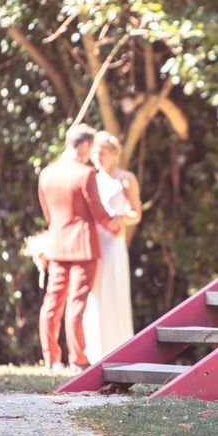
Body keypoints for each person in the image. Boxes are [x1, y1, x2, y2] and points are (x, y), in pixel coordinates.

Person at [37, 124, 121, 372]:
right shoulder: (85, 174)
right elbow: (97, 211)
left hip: (57, 244)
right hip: (83, 245)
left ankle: (51, 358)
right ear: (84, 146)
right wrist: (114, 225)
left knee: (52, 302)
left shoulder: (47, 173)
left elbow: (47, 212)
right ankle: (78, 359)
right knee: (76, 303)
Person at [83, 131, 141, 363]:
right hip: (95, 240)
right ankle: (95, 351)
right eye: (95, 153)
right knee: (94, 294)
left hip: (114, 242)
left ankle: (120, 349)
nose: (98, 157)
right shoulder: (90, 178)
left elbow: (136, 213)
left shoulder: (126, 178)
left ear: (114, 154)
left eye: (102, 152)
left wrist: (121, 219)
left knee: (114, 290)